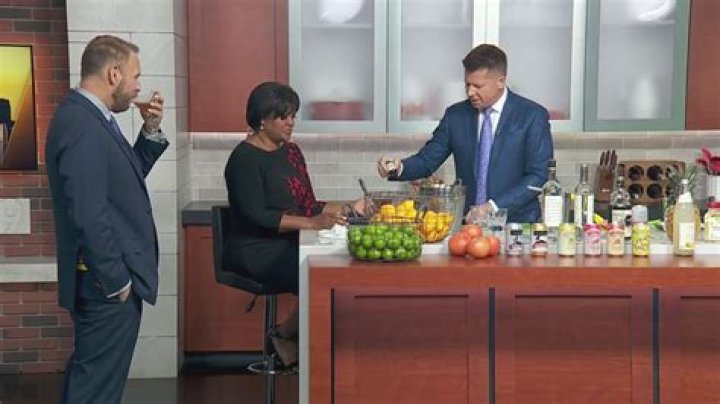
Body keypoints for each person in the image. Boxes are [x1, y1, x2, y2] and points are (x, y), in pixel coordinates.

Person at [46, 35, 168, 404]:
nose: (139, 87)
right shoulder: (81, 124)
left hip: (104, 283)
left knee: (93, 384)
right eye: (135, 76)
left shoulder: (93, 119)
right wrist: (118, 282)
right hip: (105, 287)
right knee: (95, 391)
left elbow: (122, 183)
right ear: (114, 74)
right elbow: (88, 213)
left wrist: (149, 132)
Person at [224, 81, 365, 367]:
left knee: (338, 270)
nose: (291, 122)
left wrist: (352, 206)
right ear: (262, 119)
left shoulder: (291, 152)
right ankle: (292, 340)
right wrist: (312, 224)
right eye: (282, 116)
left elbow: (308, 204)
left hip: (290, 241)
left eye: (293, 115)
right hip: (256, 248)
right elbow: (256, 216)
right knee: (324, 274)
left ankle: (297, 343)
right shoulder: (243, 159)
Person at [378, 44, 553, 224]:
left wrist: (492, 207)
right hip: (469, 226)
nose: (470, 92)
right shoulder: (455, 116)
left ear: (500, 81)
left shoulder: (532, 116)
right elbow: (427, 160)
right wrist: (398, 167)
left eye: (478, 86)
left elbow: (538, 176)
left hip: (518, 227)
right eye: (467, 84)